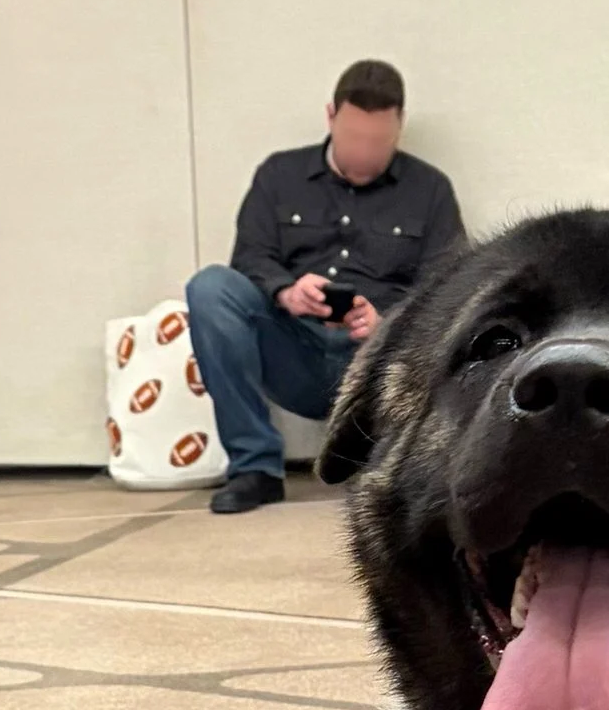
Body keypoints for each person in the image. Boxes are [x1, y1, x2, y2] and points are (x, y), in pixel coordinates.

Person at [186, 60, 464, 513]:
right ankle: (255, 468)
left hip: (375, 364)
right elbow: (250, 257)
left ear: (400, 127)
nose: (365, 153)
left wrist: (389, 321)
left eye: (380, 141)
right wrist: (287, 292)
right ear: (330, 115)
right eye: (354, 137)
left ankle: (389, 469)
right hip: (293, 347)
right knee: (211, 288)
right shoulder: (279, 175)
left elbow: (449, 287)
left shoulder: (430, 190)